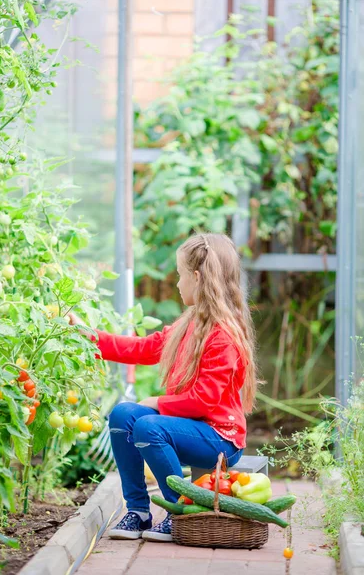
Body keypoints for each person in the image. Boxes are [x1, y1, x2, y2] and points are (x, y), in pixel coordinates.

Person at [69, 233, 259, 543]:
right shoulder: (189, 326)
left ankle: (179, 511)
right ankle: (139, 512)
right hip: (189, 428)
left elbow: (204, 402)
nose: (176, 283)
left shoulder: (223, 335)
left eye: (180, 275)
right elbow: (141, 348)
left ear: (196, 278)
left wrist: (158, 401)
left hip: (220, 438)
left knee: (148, 426)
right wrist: (85, 334)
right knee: (122, 415)